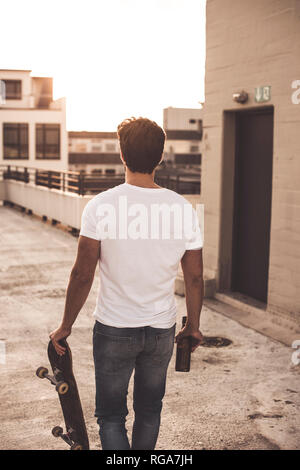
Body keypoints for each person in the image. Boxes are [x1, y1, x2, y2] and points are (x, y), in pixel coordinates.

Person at [50, 117, 204, 450]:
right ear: (160, 158)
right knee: (149, 411)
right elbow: (193, 276)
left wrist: (65, 325)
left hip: (114, 328)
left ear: (122, 155)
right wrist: (193, 325)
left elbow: (82, 274)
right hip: (161, 329)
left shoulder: (100, 207)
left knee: (111, 416)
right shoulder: (184, 209)